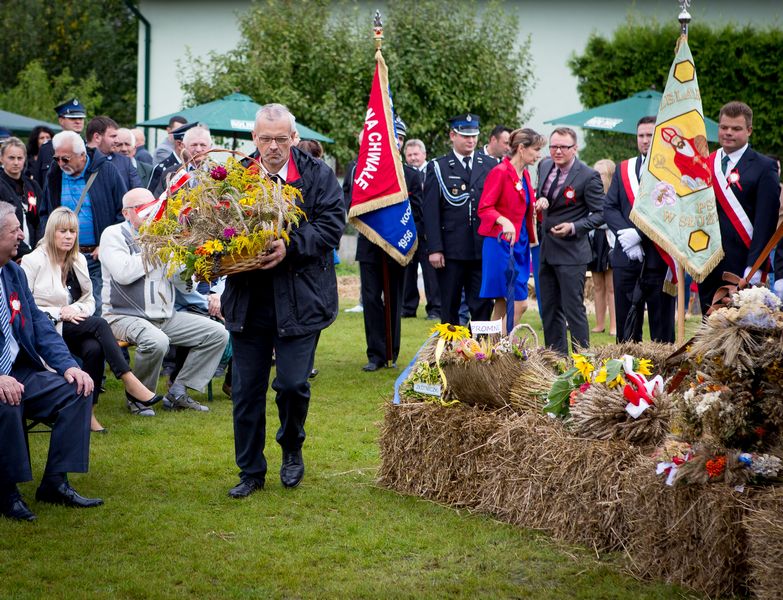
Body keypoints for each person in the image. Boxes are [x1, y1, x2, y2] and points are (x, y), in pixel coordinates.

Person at [223, 103, 344, 496]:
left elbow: (331, 226)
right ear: (254, 138)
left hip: (301, 299)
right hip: (249, 300)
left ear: (294, 137)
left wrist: (288, 246)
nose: (273, 146)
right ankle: (250, 472)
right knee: (246, 391)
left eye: (280, 139)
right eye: (265, 139)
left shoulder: (318, 175)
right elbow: (218, 225)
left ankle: (291, 447)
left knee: (292, 385)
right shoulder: (237, 176)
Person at [0, 202, 102, 522]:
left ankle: (55, 482)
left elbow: (41, 327)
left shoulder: (13, 273)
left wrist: (69, 366)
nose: (22, 235)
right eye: (14, 230)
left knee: (78, 390)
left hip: (21, 370)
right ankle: (6, 492)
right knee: (7, 401)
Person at [21, 207, 163, 430]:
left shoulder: (78, 259)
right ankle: (128, 379)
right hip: (46, 328)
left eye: (72, 232)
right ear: (51, 232)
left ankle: (89, 412)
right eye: (62, 231)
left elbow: (89, 300)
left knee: (94, 349)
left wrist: (74, 309)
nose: (68, 236)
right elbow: (24, 305)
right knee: (100, 324)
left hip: (73, 323)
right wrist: (60, 312)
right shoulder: (33, 261)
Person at [100, 188, 228, 414]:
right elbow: (123, 272)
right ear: (126, 213)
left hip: (165, 316)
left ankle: (178, 391)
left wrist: (190, 269)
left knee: (218, 333)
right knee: (157, 341)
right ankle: (139, 398)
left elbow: (180, 283)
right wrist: (158, 247)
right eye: (141, 208)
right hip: (122, 316)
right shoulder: (113, 234)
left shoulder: (164, 235)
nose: (150, 212)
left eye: (153, 206)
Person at [344, 117, 423, 372]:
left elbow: (417, 213)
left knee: (394, 299)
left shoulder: (410, 175)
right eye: (391, 136)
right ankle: (375, 354)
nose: (395, 141)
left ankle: (391, 351)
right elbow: (349, 201)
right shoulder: (359, 170)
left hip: (396, 245)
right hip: (369, 244)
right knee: (370, 298)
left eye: (398, 138)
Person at [699, 101, 781, 313]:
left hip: (743, 266)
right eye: (724, 127)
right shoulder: (704, 163)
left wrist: (754, 267)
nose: (728, 133)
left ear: (749, 130)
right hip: (707, 262)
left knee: (739, 329)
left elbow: (765, 222)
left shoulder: (764, 167)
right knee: (708, 326)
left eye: (736, 128)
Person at [604, 116, 675, 343]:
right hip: (626, 258)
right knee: (626, 331)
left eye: (650, 135)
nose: (645, 140)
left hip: (659, 259)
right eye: (641, 135)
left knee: (662, 332)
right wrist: (627, 236)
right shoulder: (623, 168)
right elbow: (609, 207)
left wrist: (639, 235)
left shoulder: (673, 170)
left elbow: (671, 212)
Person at [40, 130, 126, 314]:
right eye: (57, 158)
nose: (61, 163)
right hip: (62, 256)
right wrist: (49, 242)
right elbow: (45, 212)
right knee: (64, 307)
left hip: (94, 256)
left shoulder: (106, 171)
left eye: (65, 159)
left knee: (96, 307)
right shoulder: (55, 173)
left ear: (82, 155)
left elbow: (123, 210)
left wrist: (106, 243)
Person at [536, 127, 604, 355]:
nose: (557, 151)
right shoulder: (544, 165)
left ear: (575, 148)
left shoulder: (588, 175)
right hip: (547, 250)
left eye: (563, 147)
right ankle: (555, 359)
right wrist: (541, 199)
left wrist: (574, 227)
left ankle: (582, 362)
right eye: (553, 146)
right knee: (549, 309)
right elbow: (544, 195)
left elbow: (601, 213)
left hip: (572, 253)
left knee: (573, 310)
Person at [423, 114, 496, 325]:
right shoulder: (439, 166)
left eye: (474, 136)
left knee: (482, 306)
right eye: (465, 136)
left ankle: (479, 345)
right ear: (452, 135)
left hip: (481, 249)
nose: (471, 140)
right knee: (449, 306)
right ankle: (451, 346)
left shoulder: (490, 164)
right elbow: (431, 212)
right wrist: (435, 248)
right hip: (451, 250)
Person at [477, 128, 544, 330]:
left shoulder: (525, 175)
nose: (539, 154)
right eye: (536, 149)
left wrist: (539, 204)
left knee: (502, 304)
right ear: (521, 148)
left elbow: (524, 208)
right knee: (520, 304)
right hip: (500, 244)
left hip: (520, 244)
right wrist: (503, 221)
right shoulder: (499, 172)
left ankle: (489, 347)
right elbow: (484, 208)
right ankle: (502, 346)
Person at [401, 138, 439, 320]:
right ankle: (407, 308)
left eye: (416, 154)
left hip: (429, 231)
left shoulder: (434, 171)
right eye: (409, 155)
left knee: (431, 273)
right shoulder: (403, 174)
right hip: (408, 229)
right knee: (407, 272)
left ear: (424, 154)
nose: (413, 158)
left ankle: (435, 309)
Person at [0, 137, 43, 260]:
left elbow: (41, 218)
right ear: (1, 158)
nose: (16, 162)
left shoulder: (32, 185)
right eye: (11, 158)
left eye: (20, 158)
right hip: (7, 255)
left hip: (35, 253)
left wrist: (36, 251)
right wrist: (23, 253)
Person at [33, 98, 87, 186]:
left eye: (81, 118)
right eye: (72, 118)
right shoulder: (47, 149)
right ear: (61, 121)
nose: (78, 121)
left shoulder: (88, 147)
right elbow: (37, 183)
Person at [590, 159, 617, 336]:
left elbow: (612, 218)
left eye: (599, 174)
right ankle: (599, 324)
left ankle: (614, 325)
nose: (595, 177)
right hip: (595, 241)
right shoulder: (590, 194)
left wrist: (596, 221)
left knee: (611, 287)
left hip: (610, 241)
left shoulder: (614, 195)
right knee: (597, 285)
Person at [85, 116, 143, 191]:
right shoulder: (79, 160)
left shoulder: (125, 162)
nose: (117, 141)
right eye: (113, 136)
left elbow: (138, 191)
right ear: (97, 137)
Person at [147, 121, 197, 197]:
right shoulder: (163, 169)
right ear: (180, 145)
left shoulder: (196, 166)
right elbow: (153, 198)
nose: (197, 149)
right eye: (193, 145)